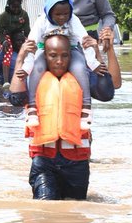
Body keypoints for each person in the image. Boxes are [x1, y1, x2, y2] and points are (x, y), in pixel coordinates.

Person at [8, 34, 92, 200]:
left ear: (71, 55)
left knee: (75, 213)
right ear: (45, 56)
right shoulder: (35, 80)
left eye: (65, 55)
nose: (59, 61)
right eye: (53, 55)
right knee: (45, 208)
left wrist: (107, 51)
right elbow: (16, 99)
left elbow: (110, 89)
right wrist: (21, 60)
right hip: (44, 160)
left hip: (77, 162)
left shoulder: (83, 79)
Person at [15, 0, 99, 129]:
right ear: (49, 11)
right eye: (57, 14)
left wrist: (94, 63)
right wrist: (26, 67)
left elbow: (84, 40)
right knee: (37, 68)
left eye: (66, 14)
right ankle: (32, 107)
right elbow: (31, 44)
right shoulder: (42, 21)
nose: (62, 18)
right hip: (45, 51)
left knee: (80, 69)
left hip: (70, 51)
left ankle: (86, 108)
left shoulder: (73, 20)